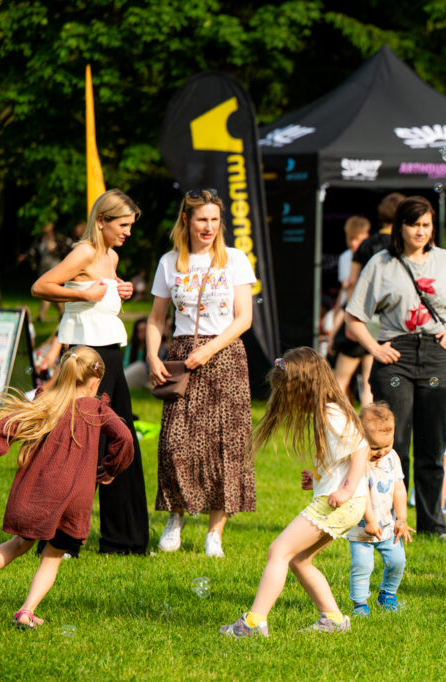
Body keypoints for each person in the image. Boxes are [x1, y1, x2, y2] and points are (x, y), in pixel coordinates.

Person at [0, 347, 134, 627]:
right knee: (51, 557)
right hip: (75, 498)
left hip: (39, 491)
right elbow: (125, 437)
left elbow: (12, 422)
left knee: (18, 543)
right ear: (94, 382)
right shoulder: (98, 409)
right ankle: (26, 611)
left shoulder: (47, 401)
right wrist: (111, 468)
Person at [345, 196, 446, 537]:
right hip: (397, 356)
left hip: (438, 351)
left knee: (434, 446)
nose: (420, 231)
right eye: (413, 224)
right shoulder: (381, 263)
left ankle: (433, 523)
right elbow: (354, 317)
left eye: (426, 225)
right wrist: (375, 348)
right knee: (394, 443)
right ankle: (389, 519)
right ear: (400, 227)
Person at [220, 348, 375, 637]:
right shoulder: (328, 411)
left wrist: (346, 489)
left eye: (289, 392)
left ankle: (254, 623)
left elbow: (361, 448)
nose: (287, 399)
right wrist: (318, 478)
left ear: (305, 388)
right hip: (342, 501)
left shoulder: (331, 413)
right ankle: (333, 620)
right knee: (298, 559)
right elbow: (341, 457)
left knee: (278, 550)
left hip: (341, 503)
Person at [30, 189, 148, 555]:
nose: (128, 232)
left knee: (122, 441)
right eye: (122, 225)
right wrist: (84, 295)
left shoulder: (111, 255)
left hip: (111, 356)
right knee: (80, 446)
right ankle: (60, 537)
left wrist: (120, 290)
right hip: (86, 359)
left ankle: (124, 539)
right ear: (102, 221)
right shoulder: (83, 252)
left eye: (130, 225)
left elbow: (100, 295)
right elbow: (41, 286)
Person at [146, 189, 255, 558]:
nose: (208, 227)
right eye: (201, 219)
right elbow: (156, 318)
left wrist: (208, 349)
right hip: (180, 356)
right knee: (175, 443)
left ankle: (215, 533)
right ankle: (175, 517)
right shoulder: (169, 262)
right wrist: (151, 355)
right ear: (186, 222)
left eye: (214, 219)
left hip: (225, 357)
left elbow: (244, 318)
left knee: (226, 447)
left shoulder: (235, 259)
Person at [348, 403, 414, 617]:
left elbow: (399, 488)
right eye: (375, 448)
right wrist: (369, 521)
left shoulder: (391, 457)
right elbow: (361, 491)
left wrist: (401, 518)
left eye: (387, 445)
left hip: (387, 525)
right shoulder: (357, 460)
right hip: (361, 529)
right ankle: (360, 604)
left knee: (397, 561)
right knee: (362, 566)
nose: (381, 452)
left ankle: (387, 594)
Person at [332, 216, 374, 404]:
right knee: (363, 382)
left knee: (343, 380)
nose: (354, 243)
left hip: (360, 321)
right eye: (350, 238)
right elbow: (345, 290)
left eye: (357, 238)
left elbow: (350, 290)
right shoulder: (348, 257)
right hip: (366, 322)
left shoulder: (368, 257)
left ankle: (350, 423)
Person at [19, 222, 74, 321]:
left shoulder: (58, 238)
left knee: (47, 291)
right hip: (43, 268)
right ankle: (62, 313)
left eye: (47, 224)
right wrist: (26, 256)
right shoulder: (40, 239)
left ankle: (41, 315)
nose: (44, 227)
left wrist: (56, 249)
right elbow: (33, 250)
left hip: (54, 267)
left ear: (52, 225)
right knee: (51, 291)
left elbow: (67, 249)